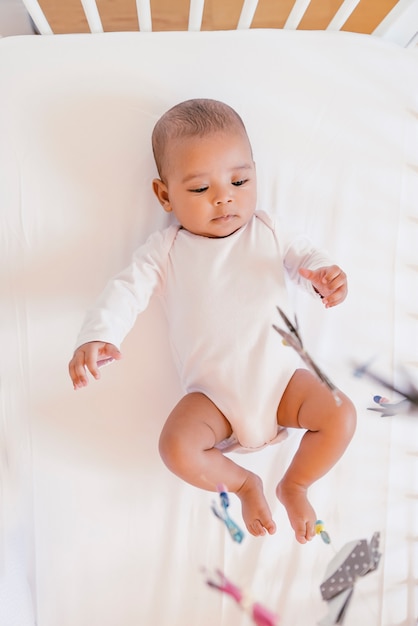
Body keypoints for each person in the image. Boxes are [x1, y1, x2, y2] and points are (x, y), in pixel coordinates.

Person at [68, 98, 356, 544]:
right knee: (176, 448)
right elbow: (126, 290)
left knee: (340, 414)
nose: (224, 196)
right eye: (200, 189)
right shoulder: (165, 251)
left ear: (255, 174)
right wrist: (100, 334)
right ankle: (244, 483)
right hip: (213, 401)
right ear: (165, 196)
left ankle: (295, 484)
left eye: (239, 180)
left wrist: (323, 275)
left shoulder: (268, 229)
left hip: (284, 384)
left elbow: (305, 259)